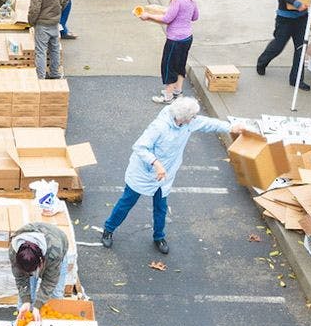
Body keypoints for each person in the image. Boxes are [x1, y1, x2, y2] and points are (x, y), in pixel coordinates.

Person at [102, 96, 244, 254]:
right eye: (192, 117)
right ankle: (108, 229)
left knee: (161, 208)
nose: (195, 119)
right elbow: (140, 147)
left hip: (164, 176)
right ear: (183, 118)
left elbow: (208, 123)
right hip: (143, 173)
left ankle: (159, 237)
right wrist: (156, 164)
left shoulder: (189, 122)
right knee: (126, 203)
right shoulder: (159, 127)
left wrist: (231, 127)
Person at [136, 0, 198, 104]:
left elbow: (167, 19)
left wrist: (148, 16)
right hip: (187, 38)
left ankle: (168, 96)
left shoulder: (177, 0)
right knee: (180, 65)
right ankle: (178, 92)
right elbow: (195, 17)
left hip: (175, 39)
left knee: (169, 65)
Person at [28, 0, 70, 80]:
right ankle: (55, 73)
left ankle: (40, 76)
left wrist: (31, 21)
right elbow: (66, 0)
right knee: (55, 48)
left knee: (41, 51)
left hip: (42, 22)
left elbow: (35, 6)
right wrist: (58, 12)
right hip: (55, 20)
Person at [11, 221, 70, 314]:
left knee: (55, 295)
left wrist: (37, 306)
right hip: (36, 258)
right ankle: (22, 320)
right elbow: (20, 278)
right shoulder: (14, 252)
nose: (31, 274)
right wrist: (26, 301)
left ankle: (49, 324)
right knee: (25, 300)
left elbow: (50, 282)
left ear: (41, 261)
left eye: (33, 271)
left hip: (56, 251)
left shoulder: (54, 253)